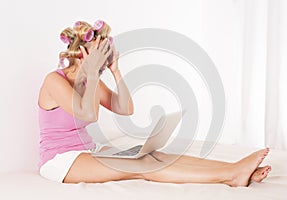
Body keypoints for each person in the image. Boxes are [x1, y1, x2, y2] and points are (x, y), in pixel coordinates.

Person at [37, 19, 271, 186]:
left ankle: (236, 170)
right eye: (99, 54)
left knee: (153, 156)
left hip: (89, 150)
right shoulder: (54, 81)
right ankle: (231, 175)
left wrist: (116, 72)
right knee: (143, 167)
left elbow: (125, 109)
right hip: (61, 161)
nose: (103, 59)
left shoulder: (92, 82)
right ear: (82, 55)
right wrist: (93, 74)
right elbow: (89, 114)